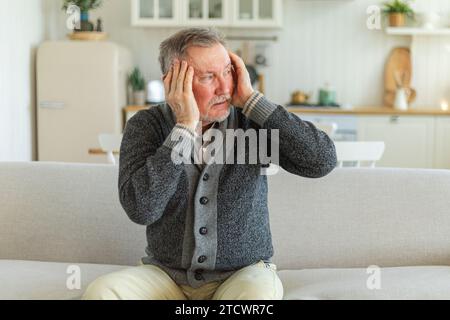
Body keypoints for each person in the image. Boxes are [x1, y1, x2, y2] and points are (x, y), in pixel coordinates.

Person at [82, 27, 337, 300]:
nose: (225, 87)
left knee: (258, 296)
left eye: (227, 71)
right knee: (101, 292)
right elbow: (141, 209)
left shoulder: (251, 121)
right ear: (173, 83)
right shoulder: (146, 126)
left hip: (242, 275)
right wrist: (184, 128)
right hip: (166, 276)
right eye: (208, 77)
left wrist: (252, 101)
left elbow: (322, 161)